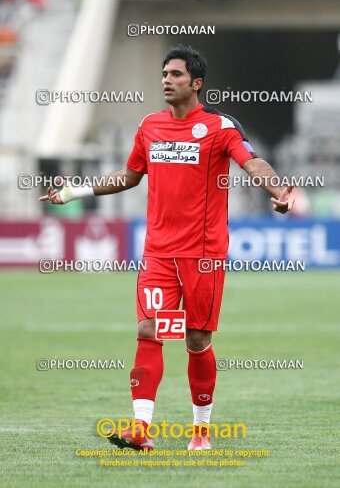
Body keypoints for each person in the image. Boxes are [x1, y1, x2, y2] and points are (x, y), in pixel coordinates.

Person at [40, 45, 294, 451]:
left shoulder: (220, 127)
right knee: (148, 330)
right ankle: (141, 429)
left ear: (196, 83)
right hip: (158, 251)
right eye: (163, 74)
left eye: (175, 74)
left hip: (204, 255)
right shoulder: (150, 125)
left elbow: (252, 163)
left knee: (196, 339)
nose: (166, 80)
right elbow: (128, 176)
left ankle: (201, 433)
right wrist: (75, 189)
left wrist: (279, 191)